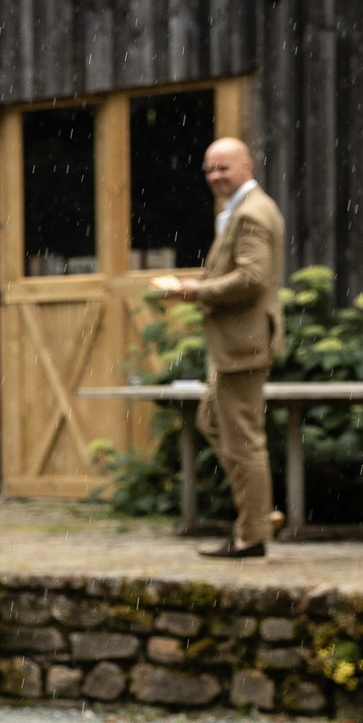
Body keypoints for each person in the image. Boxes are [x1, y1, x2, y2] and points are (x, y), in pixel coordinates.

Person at [160, 138, 287, 559]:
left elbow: (252, 278)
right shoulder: (241, 209)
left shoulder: (251, 214)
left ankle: (252, 535)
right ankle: (259, 514)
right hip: (236, 344)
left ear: (247, 165)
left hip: (243, 345)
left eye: (223, 168)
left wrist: (198, 292)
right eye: (209, 169)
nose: (215, 176)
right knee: (212, 421)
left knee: (243, 441)